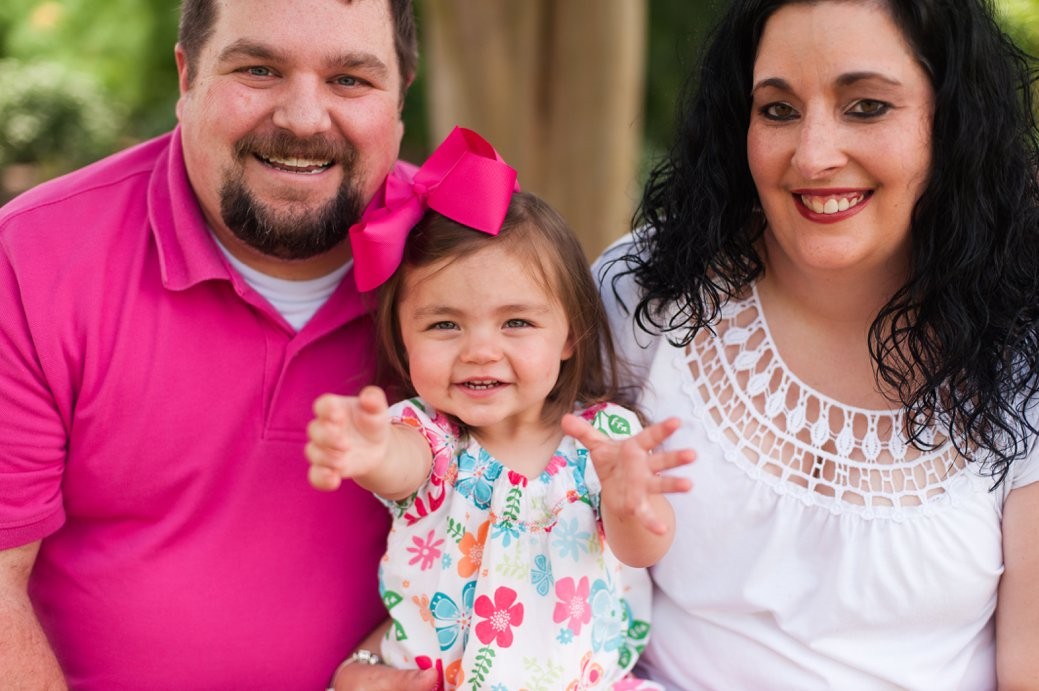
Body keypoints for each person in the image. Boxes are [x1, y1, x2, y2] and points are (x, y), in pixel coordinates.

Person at [595, 0, 1039, 688]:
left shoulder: (1023, 348)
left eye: (864, 106)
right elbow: (491, 499)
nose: (812, 154)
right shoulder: (648, 291)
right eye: (777, 110)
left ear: (950, 122)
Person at [0, 0, 437, 688]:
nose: (302, 117)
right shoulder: (32, 258)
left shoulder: (481, 269)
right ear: (187, 76)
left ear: (399, 98)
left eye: (350, 79)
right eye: (259, 70)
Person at [306, 128, 693, 690]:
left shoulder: (604, 439)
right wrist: (368, 450)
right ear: (402, 338)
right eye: (444, 324)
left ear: (568, 336)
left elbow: (639, 551)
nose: (480, 350)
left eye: (517, 322)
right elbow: (400, 464)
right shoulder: (430, 437)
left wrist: (632, 502)